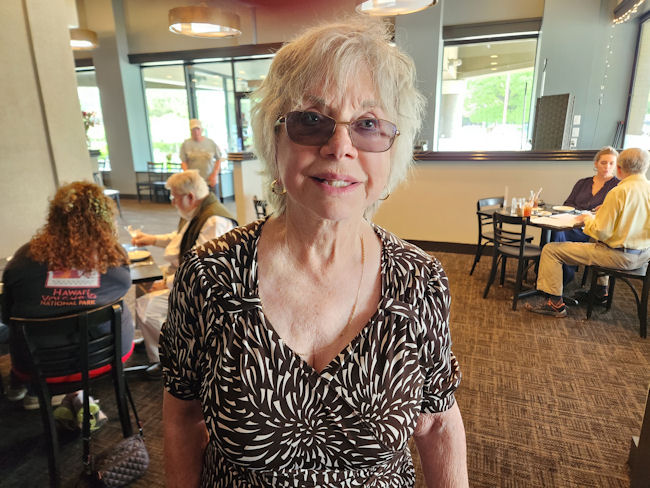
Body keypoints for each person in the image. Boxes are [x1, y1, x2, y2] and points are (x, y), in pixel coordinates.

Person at [160, 18, 468, 487]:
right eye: (310, 120)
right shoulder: (208, 274)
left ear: (392, 148)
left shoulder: (420, 280)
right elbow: (183, 418)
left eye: (368, 124)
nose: (339, 147)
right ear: (274, 138)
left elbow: (437, 423)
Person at [2, 181, 134, 427]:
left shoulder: (22, 260)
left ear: (54, 218)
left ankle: (33, 390)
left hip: (38, 365)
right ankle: (77, 395)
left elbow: (6, 317)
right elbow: (123, 288)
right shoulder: (114, 258)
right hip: (106, 356)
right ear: (105, 220)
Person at [133, 170, 236, 377]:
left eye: (174, 197)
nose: (172, 202)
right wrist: (152, 239)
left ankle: (167, 360)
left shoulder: (214, 221)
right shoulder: (199, 211)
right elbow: (180, 237)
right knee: (143, 282)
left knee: (147, 307)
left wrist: (167, 283)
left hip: (208, 288)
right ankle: (154, 337)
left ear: (190, 196)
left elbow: (204, 269)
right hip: (187, 274)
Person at [528, 147, 650, 318]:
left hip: (619, 257)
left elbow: (601, 232)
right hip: (643, 257)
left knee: (551, 250)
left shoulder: (618, 192)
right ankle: (601, 291)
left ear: (619, 168)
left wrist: (587, 218)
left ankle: (555, 304)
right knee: (594, 242)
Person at [552, 146, 619, 284]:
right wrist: (576, 213)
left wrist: (602, 210)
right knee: (554, 230)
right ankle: (554, 275)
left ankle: (561, 277)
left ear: (616, 165)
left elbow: (617, 212)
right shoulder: (583, 183)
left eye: (611, 163)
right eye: (603, 162)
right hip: (574, 221)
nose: (607, 166)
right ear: (596, 164)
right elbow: (568, 203)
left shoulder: (618, 186)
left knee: (559, 235)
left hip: (594, 227)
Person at [180, 119, 223, 196]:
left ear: (201, 130)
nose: (196, 132)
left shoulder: (211, 143)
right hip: (194, 183)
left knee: (213, 202)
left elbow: (218, 159)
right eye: (193, 130)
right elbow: (183, 162)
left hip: (210, 181)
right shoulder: (185, 144)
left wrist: (214, 174)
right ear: (190, 131)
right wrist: (188, 176)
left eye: (198, 129)